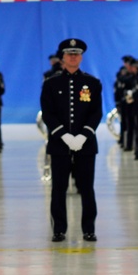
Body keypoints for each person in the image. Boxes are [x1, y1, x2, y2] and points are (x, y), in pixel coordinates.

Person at [40, 38, 103, 243]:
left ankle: (89, 229)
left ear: (81, 57)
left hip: (85, 145)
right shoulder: (51, 84)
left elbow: (96, 113)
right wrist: (64, 135)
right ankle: (59, 229)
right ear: (63, 58)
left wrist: (84, 135)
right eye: (69, 54)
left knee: (87, 188)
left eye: (76, 54)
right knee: (59, 189)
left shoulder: (92, 83)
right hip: (60, 144)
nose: (73, 57)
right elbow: (48, 114)